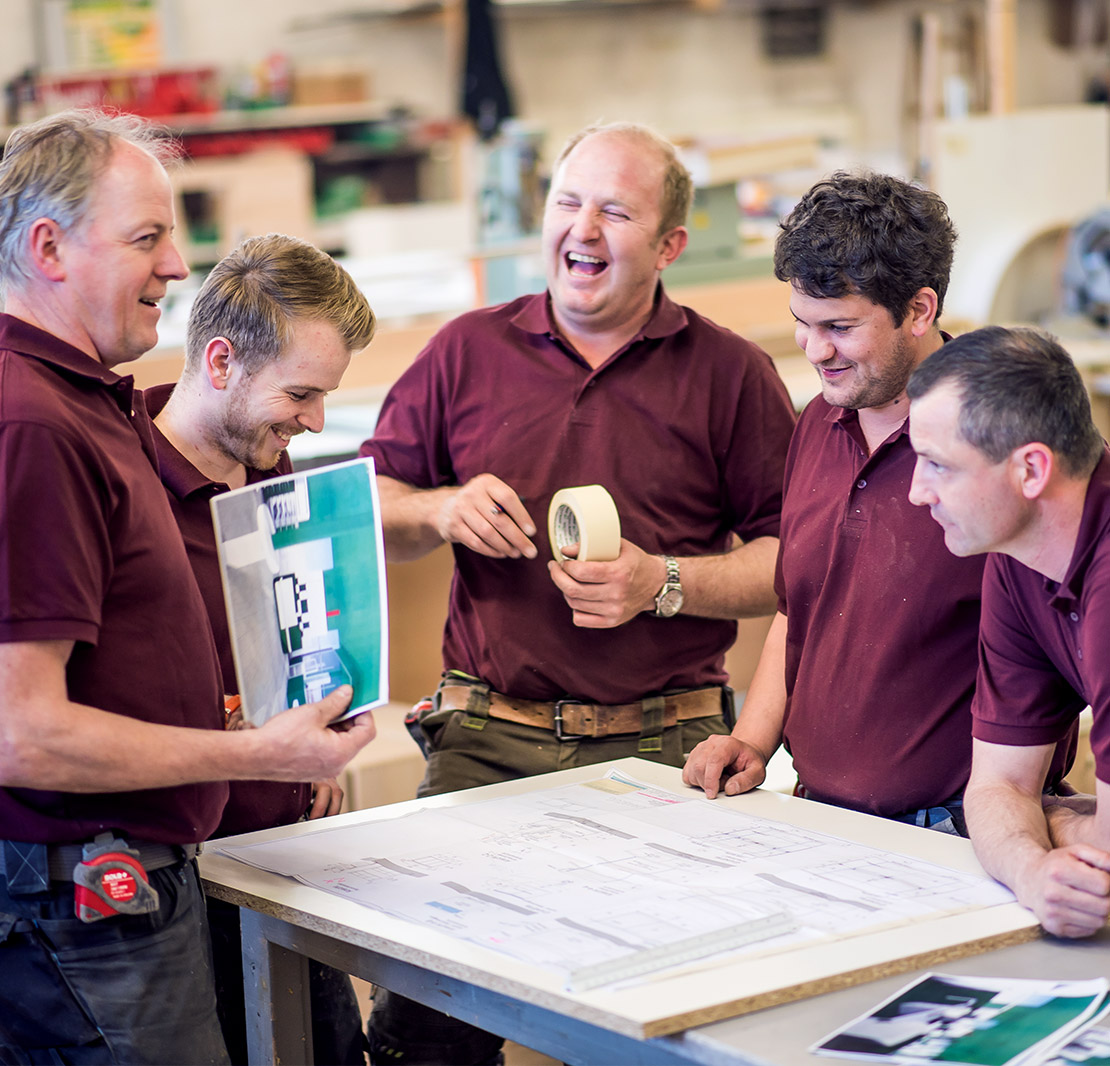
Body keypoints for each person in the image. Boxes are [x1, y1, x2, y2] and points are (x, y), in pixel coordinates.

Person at [359, 121, 796, 1064]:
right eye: (568, 202)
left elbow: (792, 562)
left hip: (669, 748)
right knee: (424, 1035)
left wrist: (661, 583)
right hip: (485, 743)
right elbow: (369, 509)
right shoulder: (465, 351)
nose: (583, 228)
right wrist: (438, 509)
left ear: (669, 245)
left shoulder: (731, 375)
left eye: (615, 211)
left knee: (670, 1029)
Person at [0, 109, 375, 1064]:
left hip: (182, 872)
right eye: (147, 238)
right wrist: (251, 755)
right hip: (98, 892)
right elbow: (21, 729)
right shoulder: (35, 423)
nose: (175, 265)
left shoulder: (91, 405)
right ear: (47, 249)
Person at [683, 171, 998, 833]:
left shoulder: (1000, 439)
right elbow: (799, 609)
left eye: (840, 327)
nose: (814, 349)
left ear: (920, 310)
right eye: (801, 323)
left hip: (956, 829)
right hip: (822, 817)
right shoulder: (818, 424)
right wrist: (752, 741)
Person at [148, 233, 377, 1065]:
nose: (314, 421)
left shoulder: (278, 478)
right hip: (169, 888)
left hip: (283, 866)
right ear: (220, 362)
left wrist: (316, 750)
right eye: (300, 393)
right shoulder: (119, 486)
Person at [906, 325, 1110, 938]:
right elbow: (997, 785)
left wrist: (1057, 818)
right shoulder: (1021, 556)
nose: (917, 492)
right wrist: (1032, 869)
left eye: (938, 465)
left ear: (1031, 469)